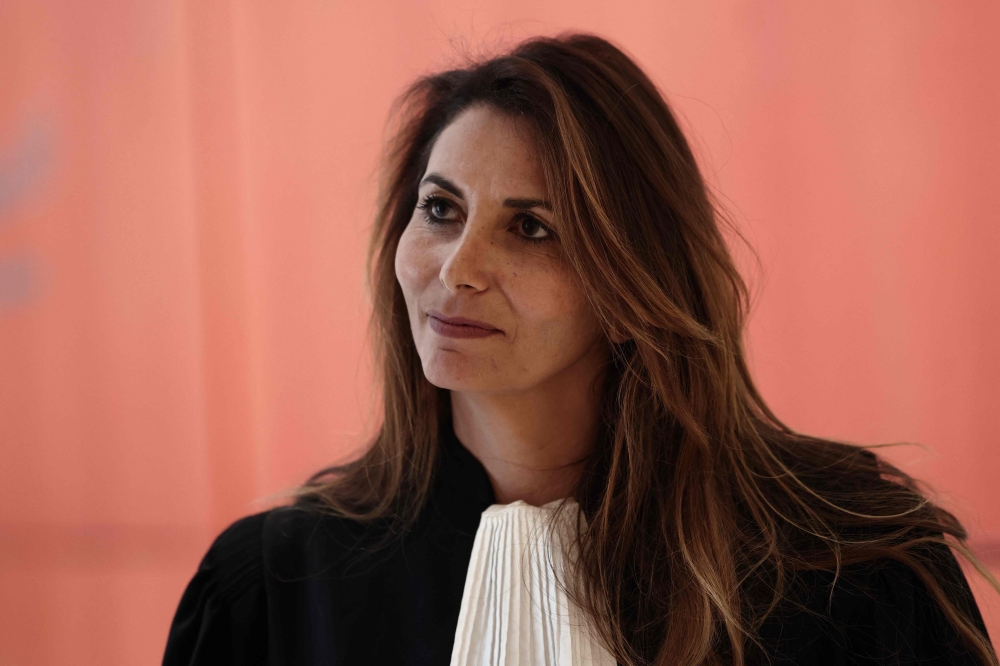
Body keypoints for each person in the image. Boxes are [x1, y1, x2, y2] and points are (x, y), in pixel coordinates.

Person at [162, 33, 997, 666]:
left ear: (632, 285)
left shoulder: (853, 569)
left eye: (531, 228)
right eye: (441, 210)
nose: (458, 270)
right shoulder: (269, 590)